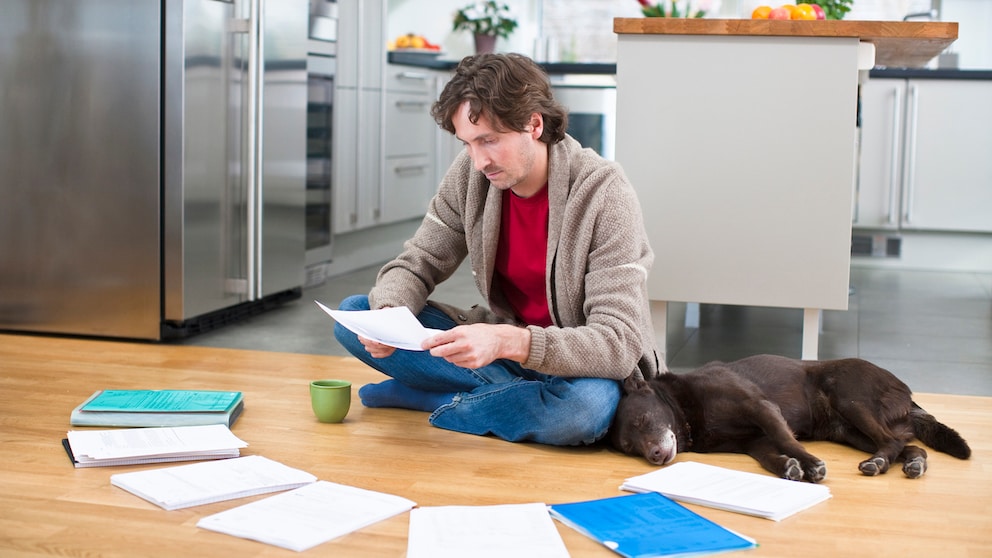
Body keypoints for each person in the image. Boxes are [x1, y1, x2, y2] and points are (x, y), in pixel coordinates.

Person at [333, 52, 661, 446]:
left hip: (578, 365)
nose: (478, 161)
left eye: (489, 140)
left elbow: (619, 342)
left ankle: (438, 398)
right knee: (355, 314)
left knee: (583, 411)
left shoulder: (604, 194)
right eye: (468, 143)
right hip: (506, 353)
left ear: (534, 124)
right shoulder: (471, 176)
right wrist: (388, 315)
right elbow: (417, 261)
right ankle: (500, 399)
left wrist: (507, 342)